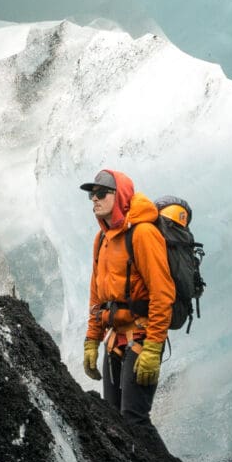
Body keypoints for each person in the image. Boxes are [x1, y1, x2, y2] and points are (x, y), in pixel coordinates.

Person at [78, 169, 176, 426]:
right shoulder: (101, 240)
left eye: (101, 193)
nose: (94, 199)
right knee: (113, 420)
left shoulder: (143, 234)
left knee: (134, 420)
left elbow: (162, 293)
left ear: (120, 195)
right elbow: (97, 297)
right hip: (114, 339)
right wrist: (92, 340)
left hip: (142, 337)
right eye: (91, 194)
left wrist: (154, 347)